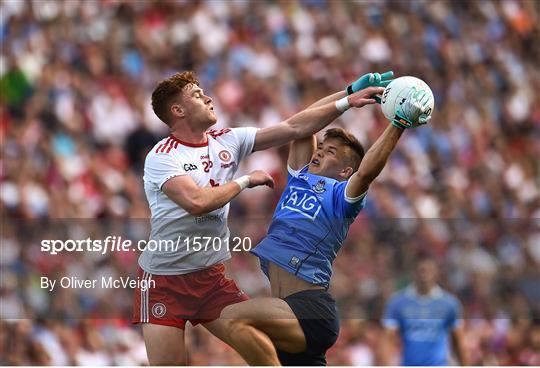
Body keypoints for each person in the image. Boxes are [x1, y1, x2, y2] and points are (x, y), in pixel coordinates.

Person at [132, 70, 388, 365]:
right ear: (178, 110)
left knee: (255, 337)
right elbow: (196, 202)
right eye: (197, 95)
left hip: (210, 278)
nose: (208, 97)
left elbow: (295, 126)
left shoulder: (227, 141)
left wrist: (349, 95)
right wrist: (245, 181)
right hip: (163, 281)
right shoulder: (162, 156)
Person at [219, 82, 433, 365]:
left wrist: (398, 124)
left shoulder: (342, 197)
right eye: (321, 147)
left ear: (345, 170)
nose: (319, 152)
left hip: (310, 310)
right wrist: (349, 94)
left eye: (330, 151)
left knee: (231, 318)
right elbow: (304, 122)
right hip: (288, 311)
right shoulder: (299, 176)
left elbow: (367, 171)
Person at [382, 254, 468, 366]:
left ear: (436, 273)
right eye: (421, 270)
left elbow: (458, 342)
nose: (424, 275)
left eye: (429, 270)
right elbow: (388, 340)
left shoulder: (450, 304)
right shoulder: (397, 302)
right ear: (413, 272)